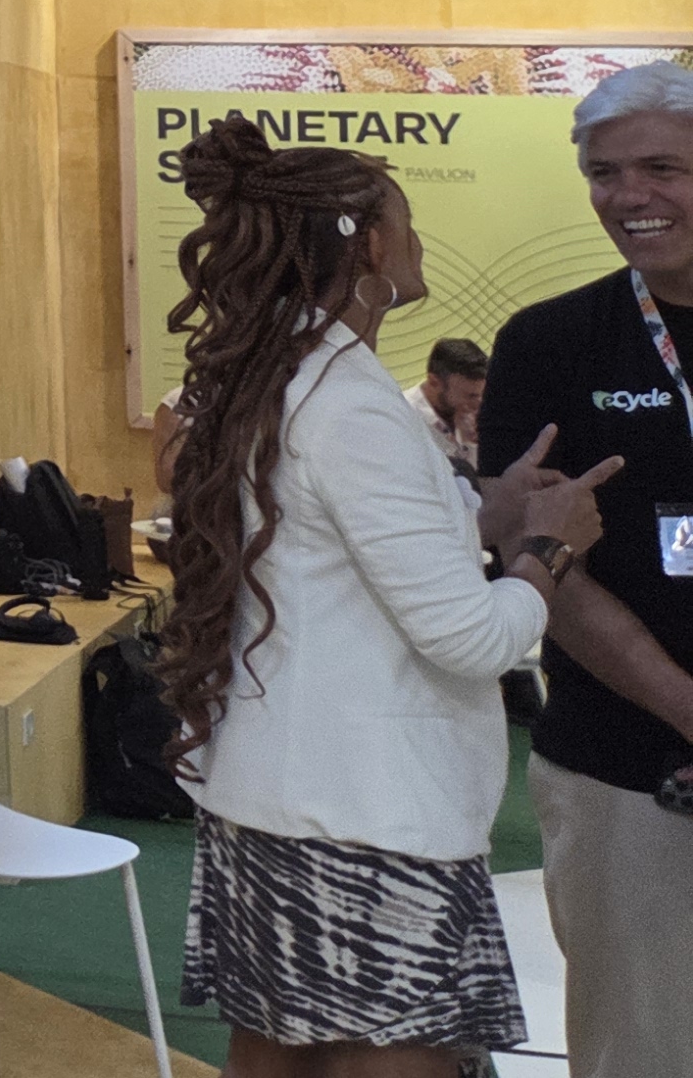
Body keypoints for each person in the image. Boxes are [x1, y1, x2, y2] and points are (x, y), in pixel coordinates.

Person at [152, 118, 615, 1078]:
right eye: (406, 219)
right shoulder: (356, 402)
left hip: (276, 794)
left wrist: (477, 516)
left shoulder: (273, 372)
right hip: (369, 814)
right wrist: (547, 552)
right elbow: (470, 637)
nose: (417, 240)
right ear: (365, 243)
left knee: (273, 1053)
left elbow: (322, 555)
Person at [477, 63, 693, 1078]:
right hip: (624, 775)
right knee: (640, 1049)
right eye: (605, 172)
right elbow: (545, 566)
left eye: (661, 165)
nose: (630, 195)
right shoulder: (548, 344)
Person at [406, 337, 488, 477]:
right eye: (470, 396)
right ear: (434, 382)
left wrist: (471, 444)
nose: (478, 404)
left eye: (482, 393)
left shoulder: (473, 415)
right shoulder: (403, 417)